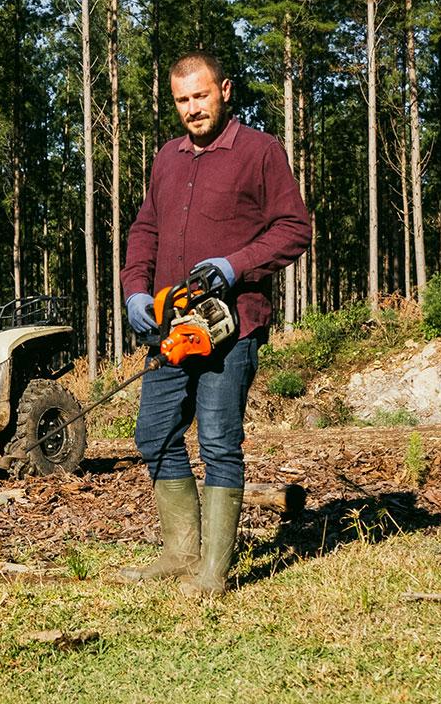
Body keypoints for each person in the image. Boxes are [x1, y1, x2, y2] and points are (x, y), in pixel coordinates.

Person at [118, 51, 311, 596]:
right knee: (154, 432)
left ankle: (213, 570)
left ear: (225, 90)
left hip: (233, 325)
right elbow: (145, 230)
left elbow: (295, 227)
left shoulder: (259, 151)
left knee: (220, 441)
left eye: (201, 95)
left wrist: (235, 265)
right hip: (171, 327)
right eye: (182, 100)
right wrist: (136, 291)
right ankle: (181, 551)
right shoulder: (167, 159)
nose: (192, 109)